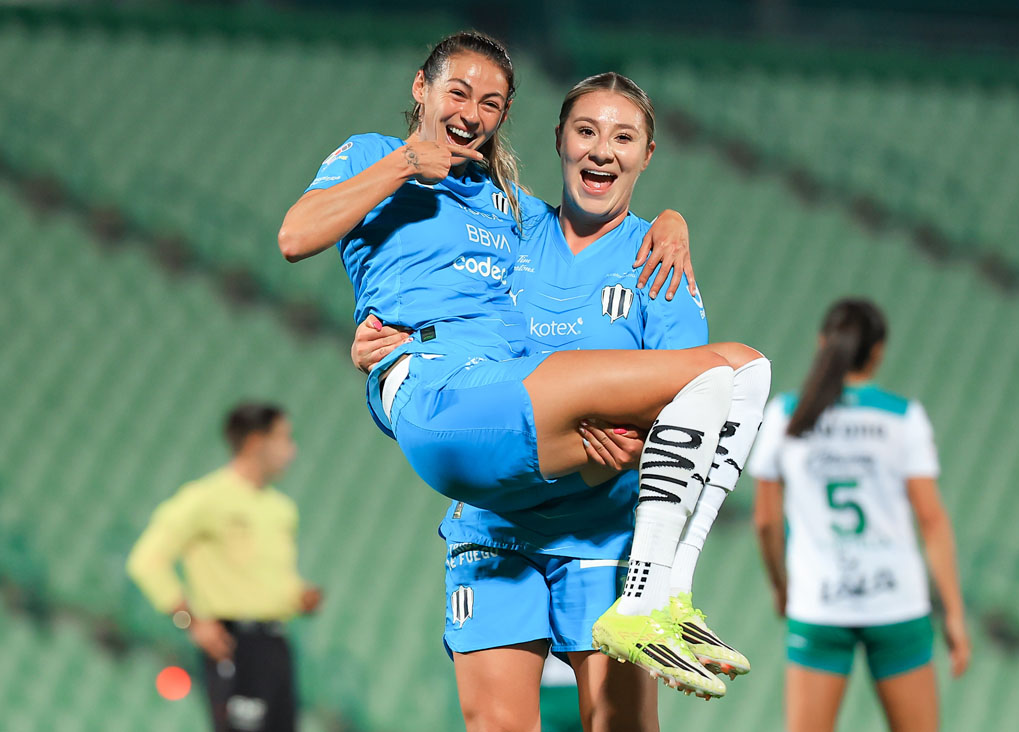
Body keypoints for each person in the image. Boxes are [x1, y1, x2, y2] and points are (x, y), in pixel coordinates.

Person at [278, 31, 771, 699]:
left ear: (647, 155)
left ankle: (663, 593)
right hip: (494, 509)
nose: (602, 149)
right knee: (731, 368)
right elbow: (317, 246)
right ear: (560, 141)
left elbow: (680, 420)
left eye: (624, 138)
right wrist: (379, 362)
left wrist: (673, 219)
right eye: (587, 131)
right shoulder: (512, 216)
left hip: (595, 523)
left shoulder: (638, 253)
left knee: (730, 371)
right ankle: (661, 594)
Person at [749, 299, 971, 732]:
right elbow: (932, 522)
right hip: (897, 601)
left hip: (818, 601)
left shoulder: (786, 416)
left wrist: (781, 586)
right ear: (878, 351)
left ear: (821, 344)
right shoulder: (903, 419)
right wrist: (955, 616)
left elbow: (765, 521)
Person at [127, 403, 322, 732]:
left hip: (275, 643)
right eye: (283, 438)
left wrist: (297, 596)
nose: (292, 449)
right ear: (256, 443)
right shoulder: (205, 498)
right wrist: (189, 620)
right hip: (233, 642)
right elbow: (146, 560)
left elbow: (269, 579)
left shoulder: (281, 508)